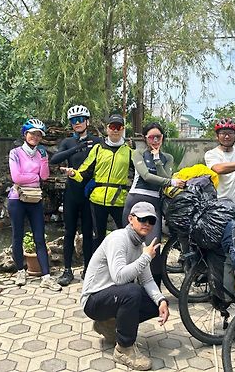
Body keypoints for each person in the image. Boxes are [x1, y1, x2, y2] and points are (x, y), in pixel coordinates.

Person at [81, 201, 170, 371]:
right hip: (93, 300)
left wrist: (161, 300)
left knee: (154, 304)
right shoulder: (118, 239)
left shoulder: (140, 245)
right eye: (142, 219)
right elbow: (119, 277)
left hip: (112, 297)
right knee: (132, 292)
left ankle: (108, 325)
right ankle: (124, 348)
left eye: (151, 221)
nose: (147, 224)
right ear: (130, 219)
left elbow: (148, 280)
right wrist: (146, 258)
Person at [122, 122, 185, 287]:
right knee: (129, 246)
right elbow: (146, 176)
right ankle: (127, 287)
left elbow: (163, 179)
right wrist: (171, 181)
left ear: (162, 138)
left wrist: (157, 160)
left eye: (158, 137)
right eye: (151, 137)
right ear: (145, 138)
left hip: (153, 203)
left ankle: (154, 289)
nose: (155, 140)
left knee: (153, 247)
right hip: (135, 200)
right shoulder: (137, 154)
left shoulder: (167, 158)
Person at [61, 114, 134, 251]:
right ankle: (98, 269)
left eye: (119, 127)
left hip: (118, 199)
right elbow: (85, 170)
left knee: (126, 234)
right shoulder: (98, 148)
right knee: (97, 236)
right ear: (107, 128)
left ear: (123, 129)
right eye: (112, 127)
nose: (115, 130)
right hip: (97, 200)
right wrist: (73, 173)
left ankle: (123, 266)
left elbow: (139, 174)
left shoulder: (130, 152)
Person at [50, 105, 101, 285]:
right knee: (69, 232)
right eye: (73, 120)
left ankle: (88, 268)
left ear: (87, 121)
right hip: (71, 193)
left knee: (88, 233)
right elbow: (54, 159)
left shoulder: (96, 141)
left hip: (88, 193)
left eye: (80, 119)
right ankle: (67, 270)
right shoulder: (67, 142)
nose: (77, 123)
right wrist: (77, 147)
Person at [8, 118, 61, 291]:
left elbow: (44, 176)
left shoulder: (41, 154)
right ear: (25, 134)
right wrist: (35, 177)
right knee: (17, 236)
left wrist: (44, 161)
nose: (35, 137)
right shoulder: (15, 153)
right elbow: (16, 177)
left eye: (39, 134)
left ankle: (46, 276)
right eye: (32, 133)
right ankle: (20, 271)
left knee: (39, 237)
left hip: (35, 200)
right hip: (17, 198)